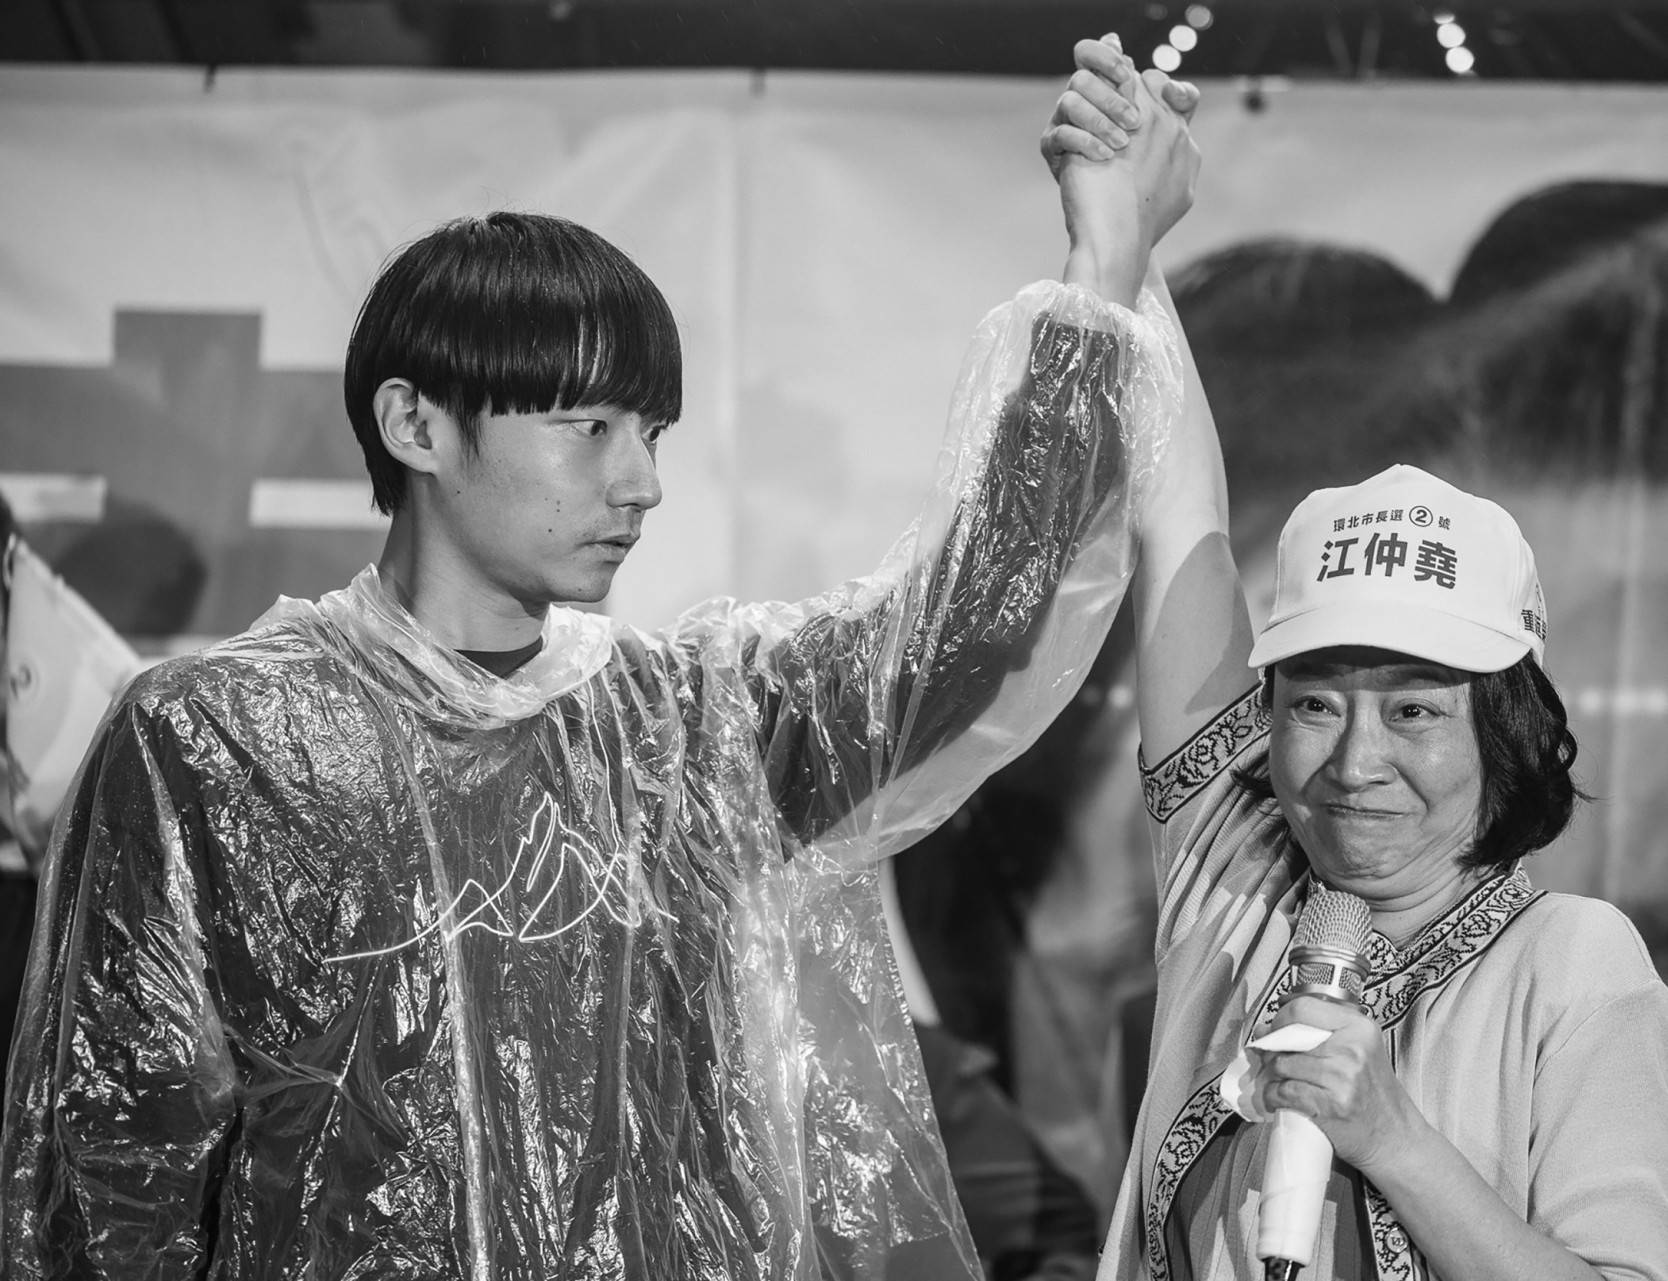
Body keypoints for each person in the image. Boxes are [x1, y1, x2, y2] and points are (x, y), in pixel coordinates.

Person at [0, 69, 1200, 1279]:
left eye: (652, 432)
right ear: (415, 425)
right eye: (590, 429)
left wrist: (1101, 271)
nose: (643, 483)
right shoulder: (214, 742)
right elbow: (113, 1181)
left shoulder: (685, 733)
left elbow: (955, 632)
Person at [1045, 42, 1668, 1280]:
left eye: (1416, 711)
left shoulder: (1575, 964)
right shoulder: (1234, 882)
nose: (1354, 761)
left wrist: (1391, 1135)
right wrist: (1124, 238)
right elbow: (1182, 522)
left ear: (1502, 727)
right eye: (1316, 705)